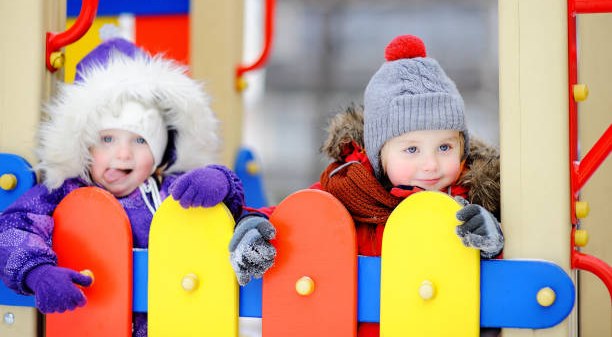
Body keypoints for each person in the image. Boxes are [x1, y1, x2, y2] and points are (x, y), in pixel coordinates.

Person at [229, 35, 503, 337]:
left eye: (445, 148)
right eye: (412, 150)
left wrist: (492, 244)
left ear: (462, 147)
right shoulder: (348, 192)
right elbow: (298, 216)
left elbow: (506, 282)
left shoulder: (470, 205)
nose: (431, 165)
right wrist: (256, 224)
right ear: (379, 154)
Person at [0, 38, 244, 337]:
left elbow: (226, 219)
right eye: (107, 139)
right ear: (81, 145)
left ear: (161, 153)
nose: (124, 154)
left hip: (173, 321)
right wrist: (37, 272)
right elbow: (13, 228)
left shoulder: (172, 192)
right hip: (91, 324)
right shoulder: (61, 194)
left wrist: (220, 182)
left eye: (140, 140)